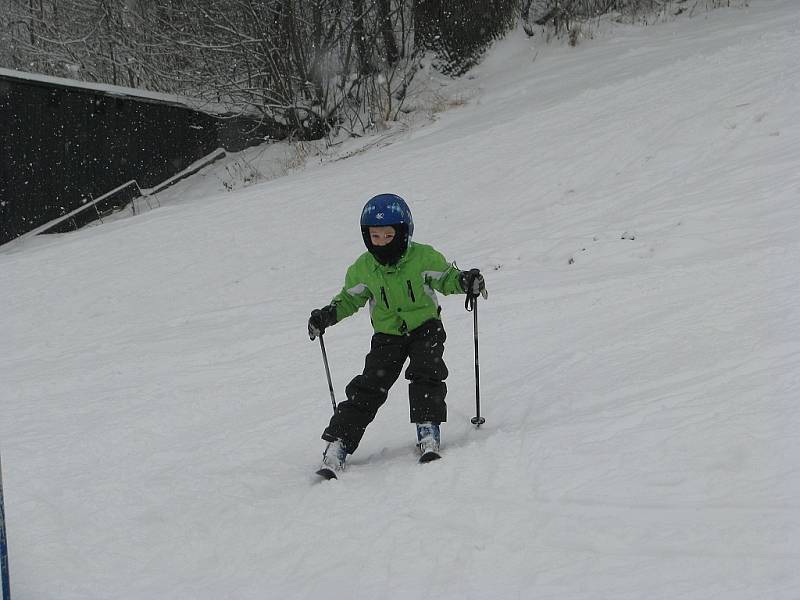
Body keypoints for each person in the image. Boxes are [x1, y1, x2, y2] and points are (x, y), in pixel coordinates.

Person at [308, 193, 486, 473]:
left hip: (425, 328)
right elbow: (349, 299)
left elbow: (445, 278)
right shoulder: (363, 268)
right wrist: (327, 315)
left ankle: (428, 430)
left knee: (426, 372)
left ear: (404, 233)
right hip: (387, 337)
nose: (381, 243)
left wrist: (464, 280)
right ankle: (339, 441)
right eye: (374, 237)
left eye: (388, 235)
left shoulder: (423, 256)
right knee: (369, 387)